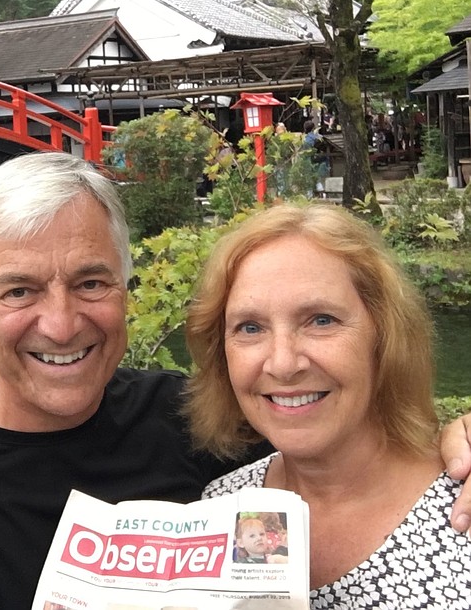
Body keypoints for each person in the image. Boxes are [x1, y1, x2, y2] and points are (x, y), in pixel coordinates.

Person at [0, 155, 471, 609]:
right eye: (19, 291)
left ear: (126, 290)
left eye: (90, 282)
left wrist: (456, 441)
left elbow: (337, 428)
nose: (61, 324)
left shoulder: (194, 431)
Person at [184, 203, 471, 607]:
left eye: (321, 320)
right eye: (250, 327)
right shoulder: (219, 510)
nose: (283, 364)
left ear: (384, 336)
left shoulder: (462, 508)